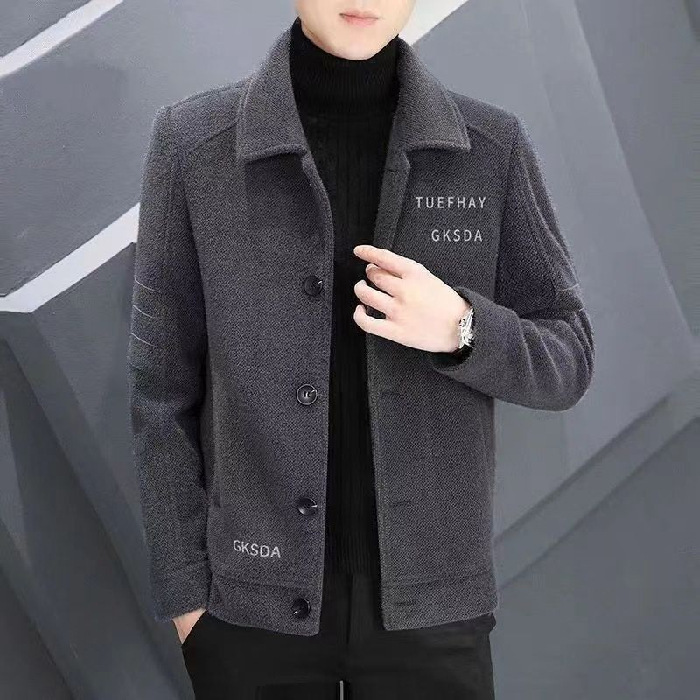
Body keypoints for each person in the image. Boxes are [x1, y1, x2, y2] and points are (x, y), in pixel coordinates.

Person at [128, 1, 595, 697]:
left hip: (433, 612)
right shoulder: (195, 144)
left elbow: (569, 358)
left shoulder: (490, 148)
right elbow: (161, 392)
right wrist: (187, 600)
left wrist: (463, 328)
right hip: (247, 611)